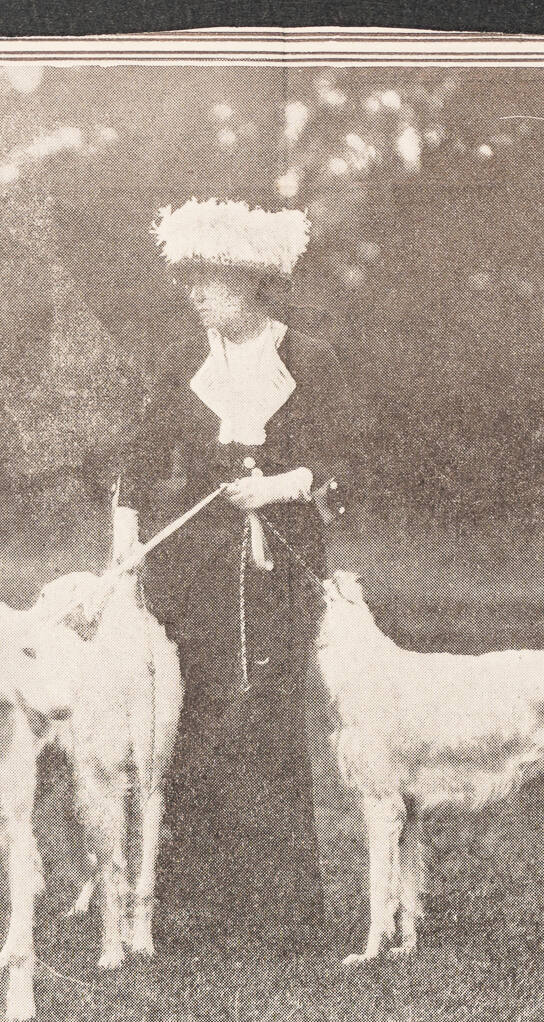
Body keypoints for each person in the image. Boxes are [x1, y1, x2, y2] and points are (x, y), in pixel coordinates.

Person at [117, 199, 360, 931]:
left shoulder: (309, 359)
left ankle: (281, 909)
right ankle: (193, 906)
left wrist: (287, 484)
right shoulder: (181, 361)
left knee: (269, 713)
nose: (196, 294)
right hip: (194, 563)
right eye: (189, 279)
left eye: (212, 280)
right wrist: (125, 535)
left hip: (280, 561)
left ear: (255, 284)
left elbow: (344, 463)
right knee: (196, 712)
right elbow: (138, 459)